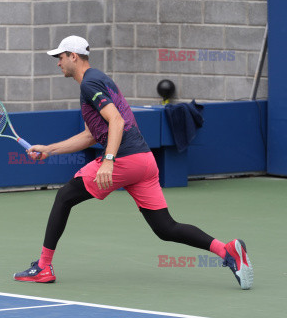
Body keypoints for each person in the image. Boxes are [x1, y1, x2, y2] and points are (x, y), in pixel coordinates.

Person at [13, 36, 254, 290]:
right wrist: (49, 150)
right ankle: (227, 251)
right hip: (144, 162)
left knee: (64, 197)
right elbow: (90, 135)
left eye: (60, 57)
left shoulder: (90, 83)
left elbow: (116, 121)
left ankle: (43, 267)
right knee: (165, 228)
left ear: (74, 56)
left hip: (124, 159)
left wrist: (108, 161)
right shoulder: (98, 80)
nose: (57, 62)